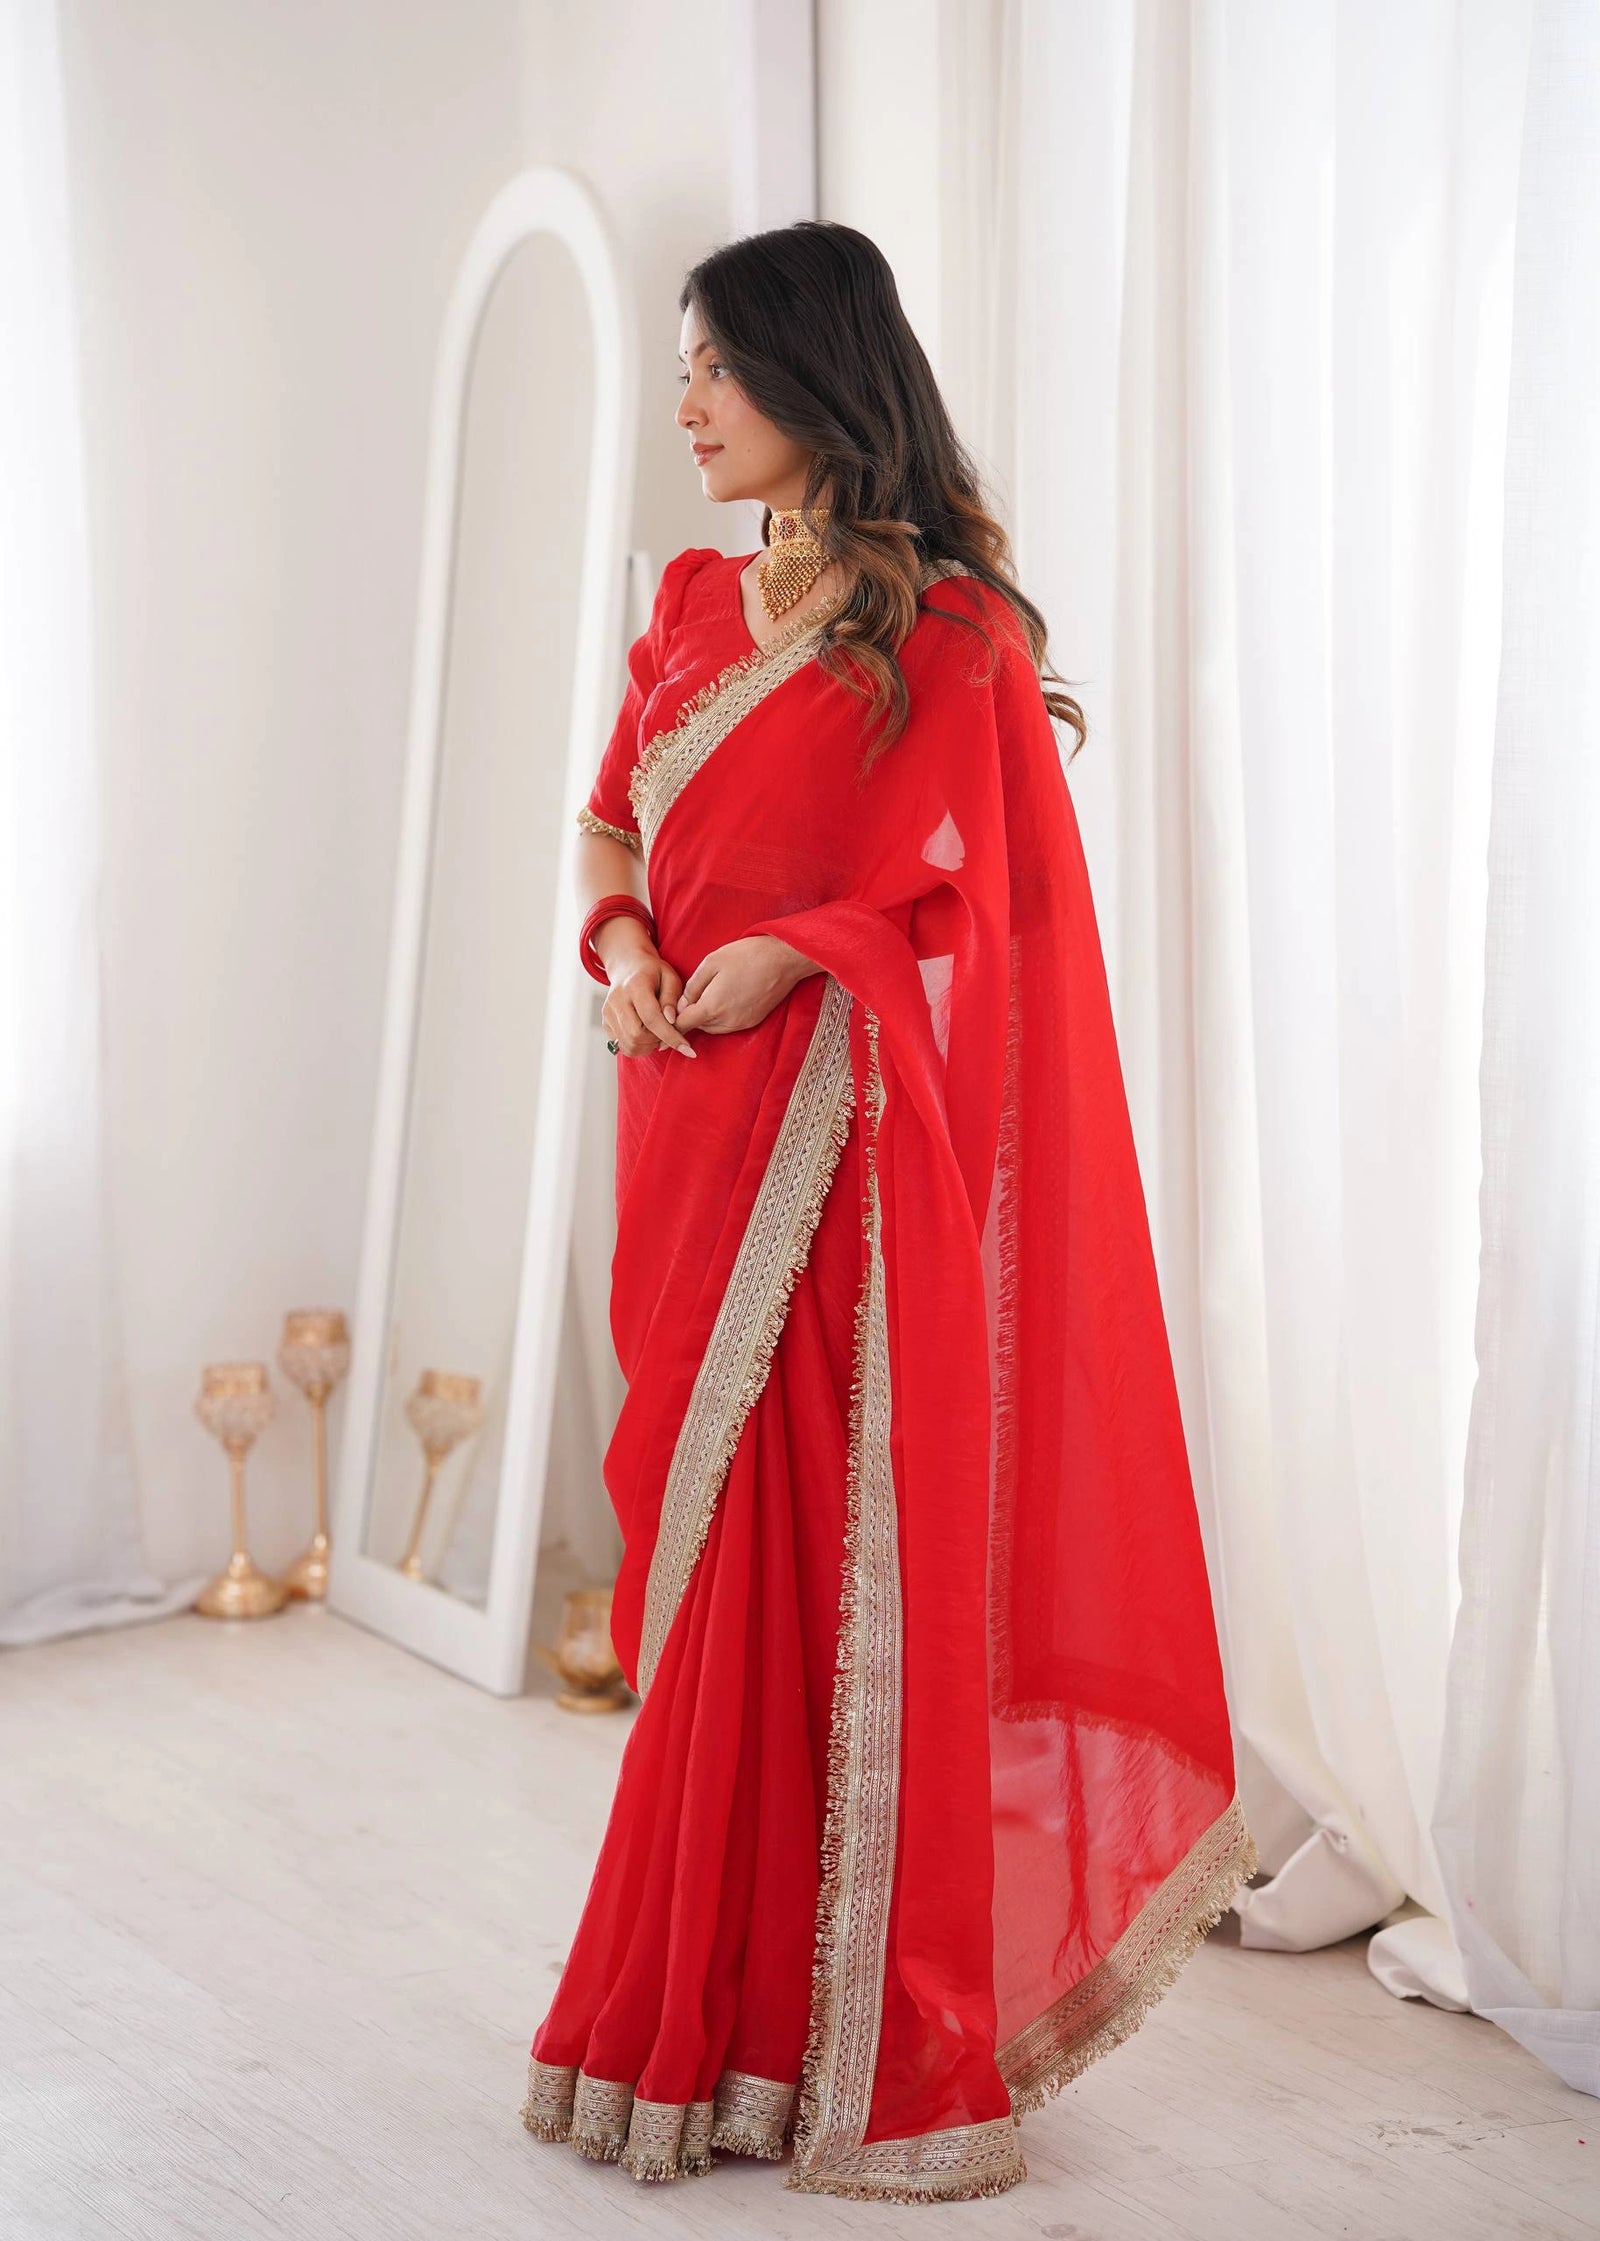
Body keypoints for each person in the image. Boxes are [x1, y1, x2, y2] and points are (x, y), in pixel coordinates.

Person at [519, 219, 1254, 2206]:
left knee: (821, 1579)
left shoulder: (950, 636)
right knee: (696, 1583)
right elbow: (608, 818)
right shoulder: (684, 598)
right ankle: (718, 2022)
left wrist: (806, 949)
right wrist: (617, 946)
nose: (684, 409)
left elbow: (1001, 924)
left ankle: (836, 2039)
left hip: (835, 1164)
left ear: (810, 373)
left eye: (712, 373)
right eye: (679, 374)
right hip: (677, 1126)